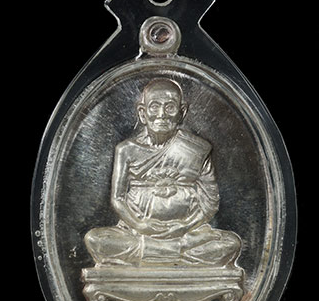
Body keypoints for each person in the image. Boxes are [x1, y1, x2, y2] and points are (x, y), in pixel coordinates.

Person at [84, 78, 241, 267]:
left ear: (182, 113)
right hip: (137, 232)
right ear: (142, 113)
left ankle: (153, 254)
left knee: (231, 243)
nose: (162, 115)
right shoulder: (127, 150)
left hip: (188, 233)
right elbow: (118, 199)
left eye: (170, 107)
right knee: (95, 240)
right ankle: (177, 253)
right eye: (154, 107)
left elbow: (210, 203)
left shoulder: (198, 149)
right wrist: (140, 225)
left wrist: (184, 226)